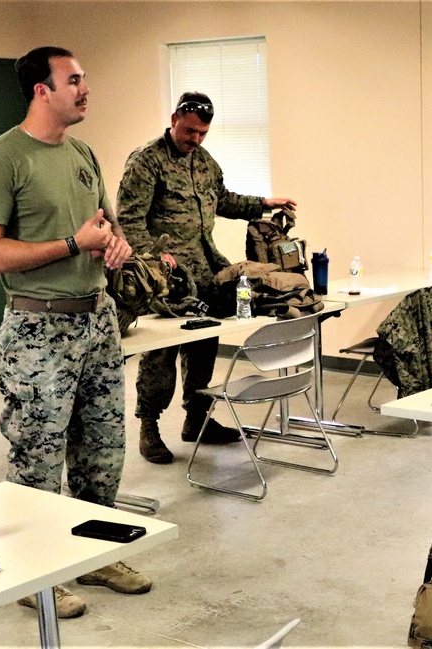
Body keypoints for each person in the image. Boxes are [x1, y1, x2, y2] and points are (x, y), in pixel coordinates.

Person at [0, 46, 149, 619]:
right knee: (37, 458)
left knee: (102, 451)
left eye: (84, 77)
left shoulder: (83, 152)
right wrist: (75, 244)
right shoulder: (0, 161)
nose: (86, 87)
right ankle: (32, 574)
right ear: (41, 90)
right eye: (74, 80)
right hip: (38, 329)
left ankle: (92, 554)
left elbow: (104, 224)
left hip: (96, 319)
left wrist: (114, 243)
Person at [116, 92, 297, 464]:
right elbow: (128, 220)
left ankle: (197, 420)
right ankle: (149, 427)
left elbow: (224, 200)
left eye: (202, 133)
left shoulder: (203, 160)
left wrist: (265, 204)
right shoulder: (146, 161)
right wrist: (155, 256)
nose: (194, 139)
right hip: (164, 278)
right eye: (189, 131)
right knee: (161, 353)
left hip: (204, 270)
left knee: (204, 345)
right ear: (174, 118)